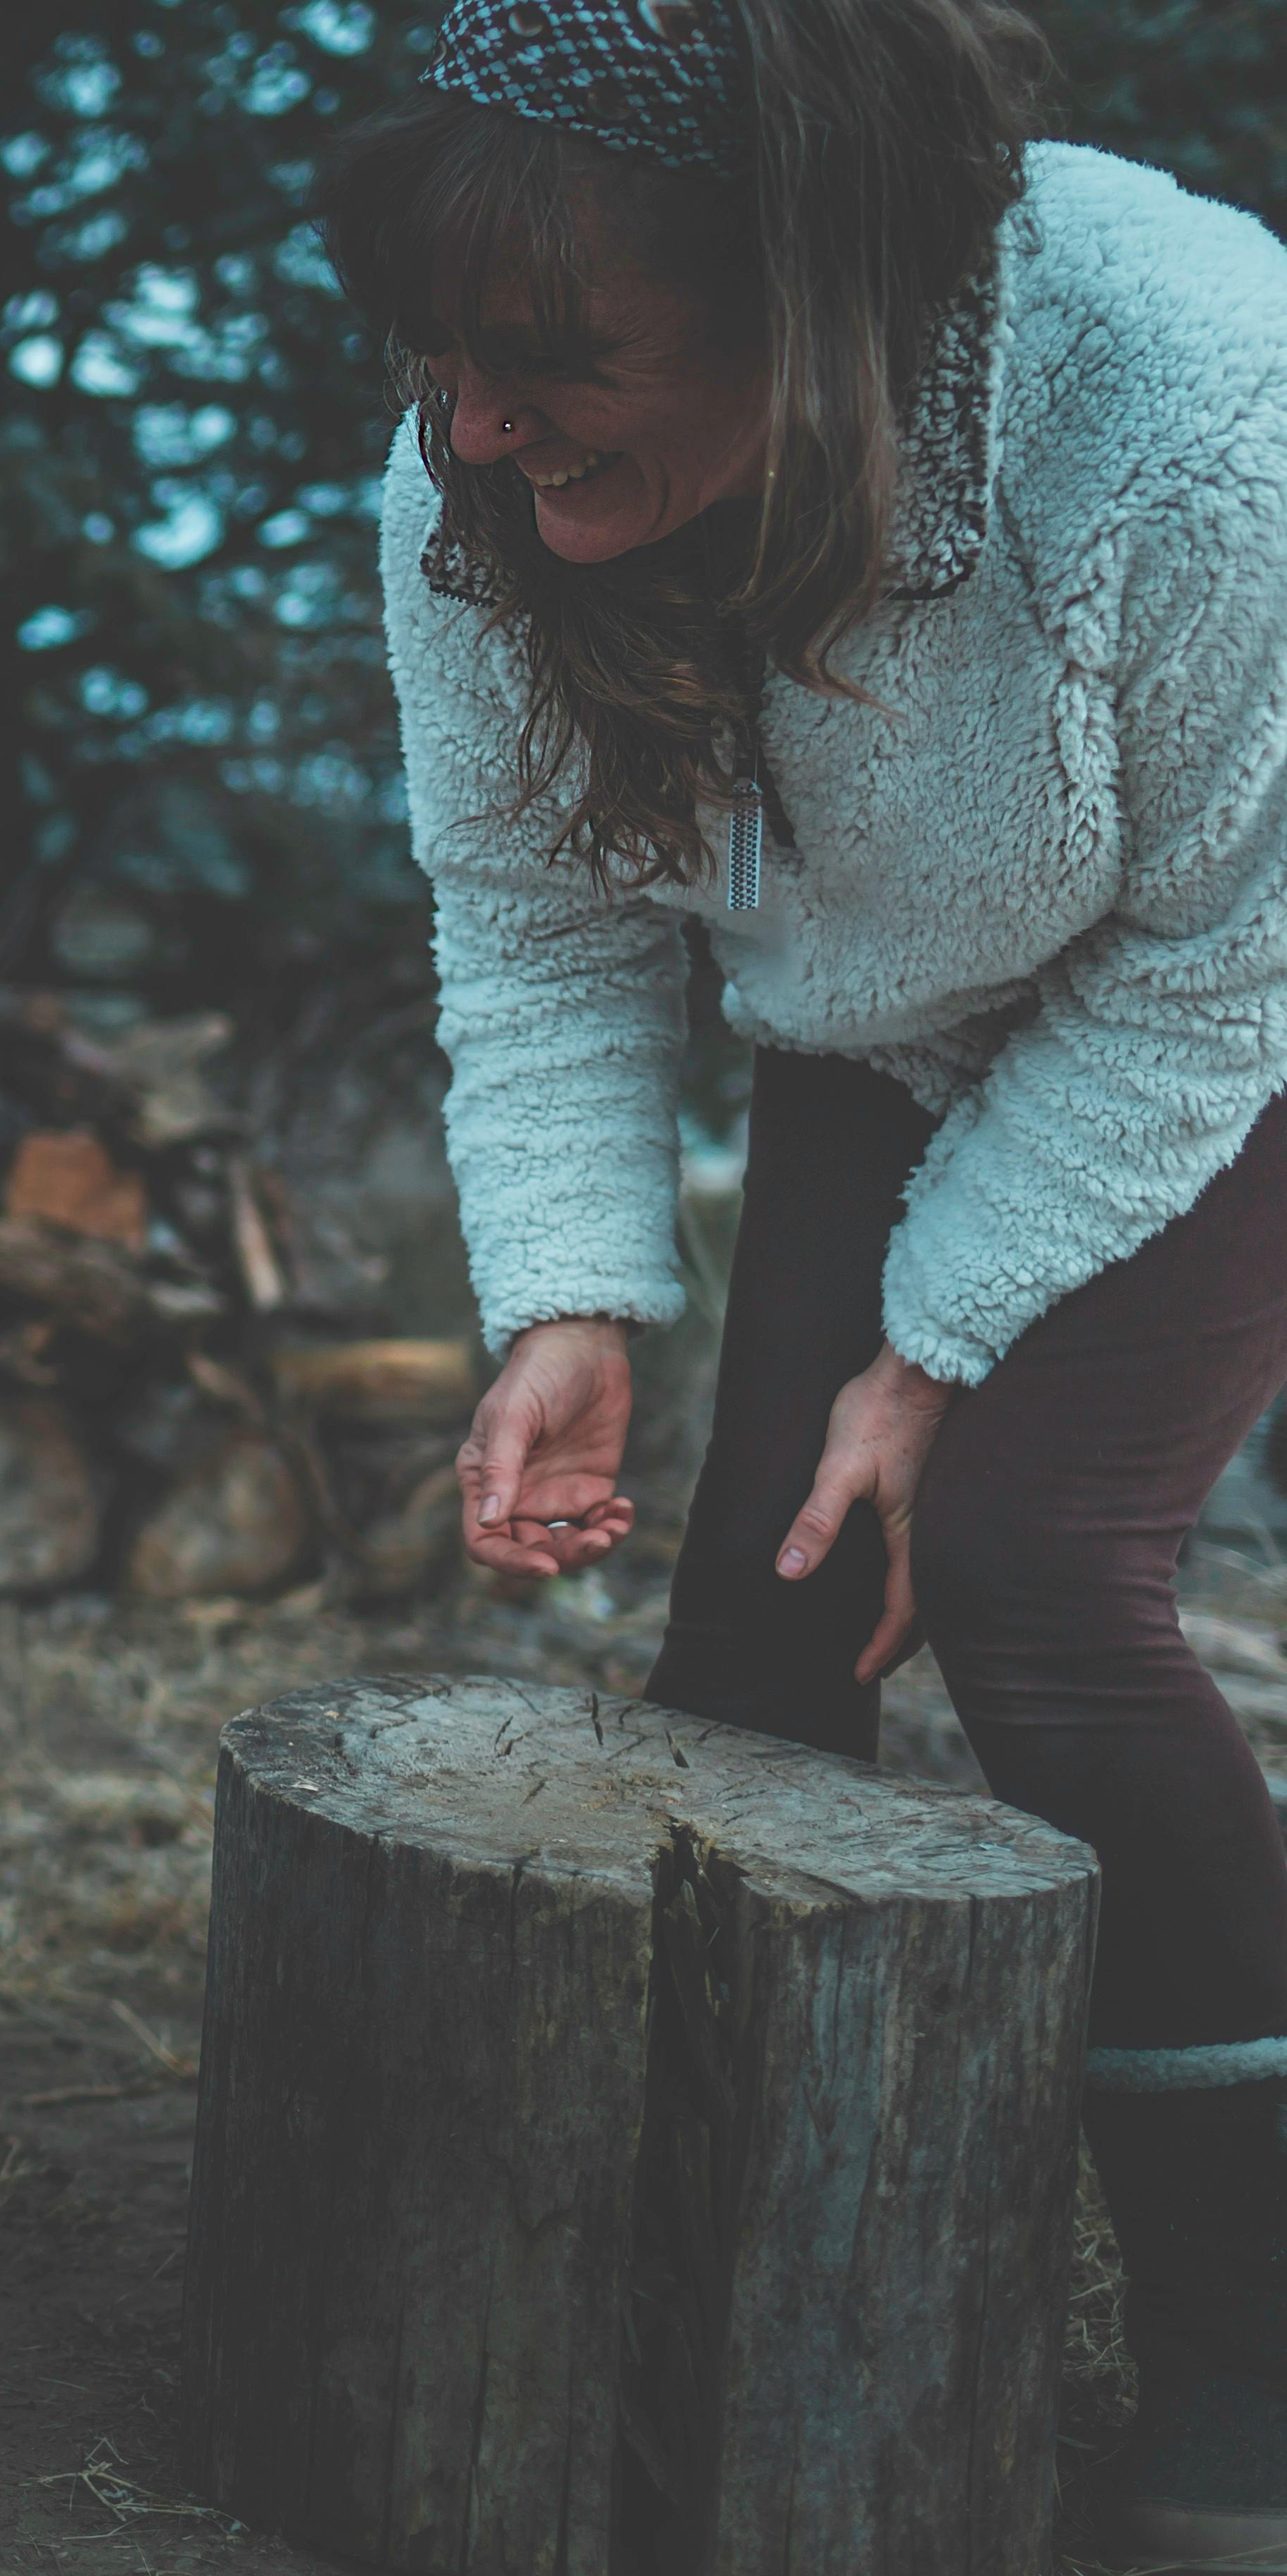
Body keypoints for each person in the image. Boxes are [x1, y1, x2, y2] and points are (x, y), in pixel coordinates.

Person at [328, 0, 1287, 2551]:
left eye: (551, 370)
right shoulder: (466, 466)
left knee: (1025, 1573)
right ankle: (716, 2291)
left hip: (1228, 982)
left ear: (818, 296)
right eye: (435, 362)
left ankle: (1249, 2349)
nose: (478, 433)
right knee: (770, 1620)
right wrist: (571, 1292)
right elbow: (533, 920)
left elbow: (1214, 962)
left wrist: (933, 1338)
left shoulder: (1196, 413)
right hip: (902, 1001)